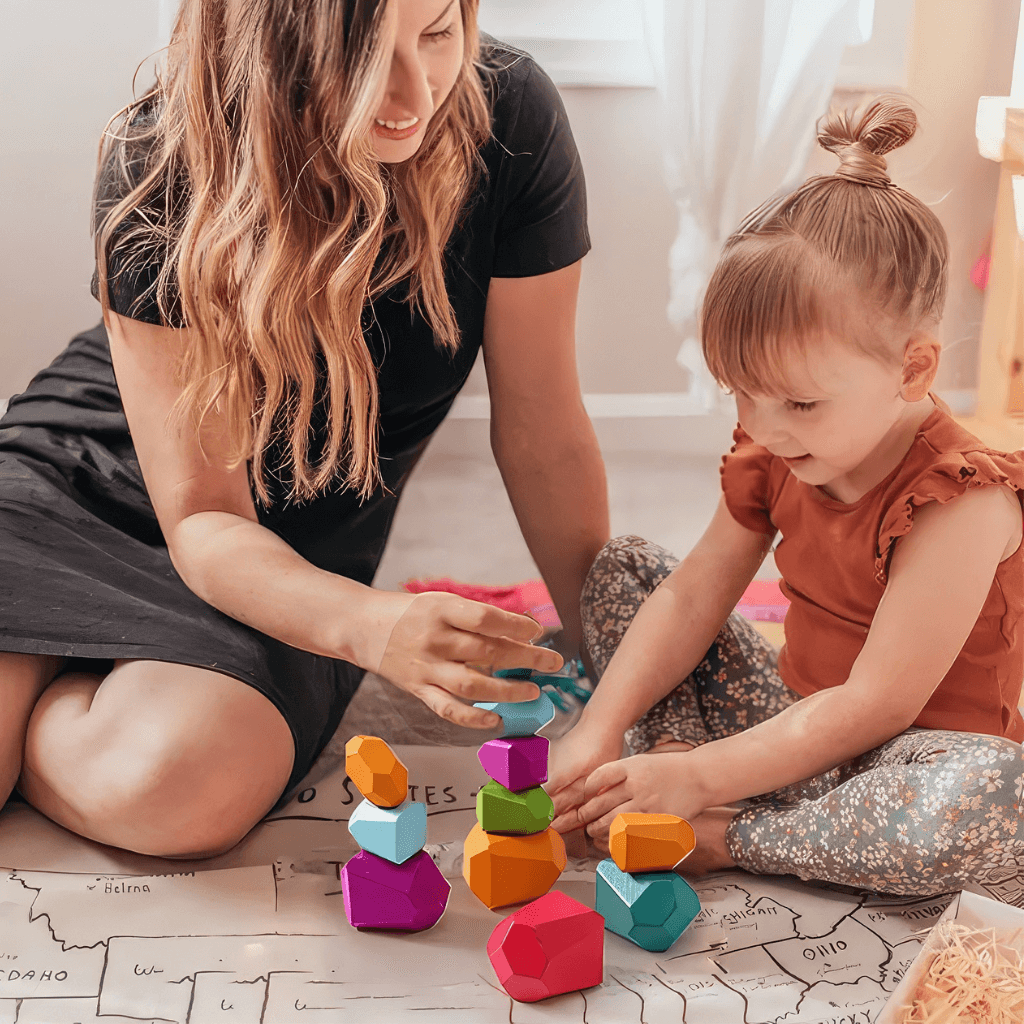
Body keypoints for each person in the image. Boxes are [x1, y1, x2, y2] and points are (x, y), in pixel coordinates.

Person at [0, 0, 608, 858]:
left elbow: (544, 431)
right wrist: (372, 624)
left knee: (172, 789)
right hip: (96, 485)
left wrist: (609, 657)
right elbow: (203, 515)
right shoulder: (162, 152)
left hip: (284, 553)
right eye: (363, 54)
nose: (413, 92)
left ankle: (43, 688)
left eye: (436, 33)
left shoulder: (510, 117)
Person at [548, 98, 1024, 907]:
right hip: (790, 723)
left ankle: (730, 834)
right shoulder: (774, 447)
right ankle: (660, 768)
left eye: (799, 404)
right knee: (628, 567)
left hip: (907, 763)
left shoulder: (961, 499)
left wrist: (702, 778)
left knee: (1001, 802)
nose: (762, 426)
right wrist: (596, 728)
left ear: (912, 370)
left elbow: (878, 704)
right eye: (741, 393)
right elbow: (695, 593)